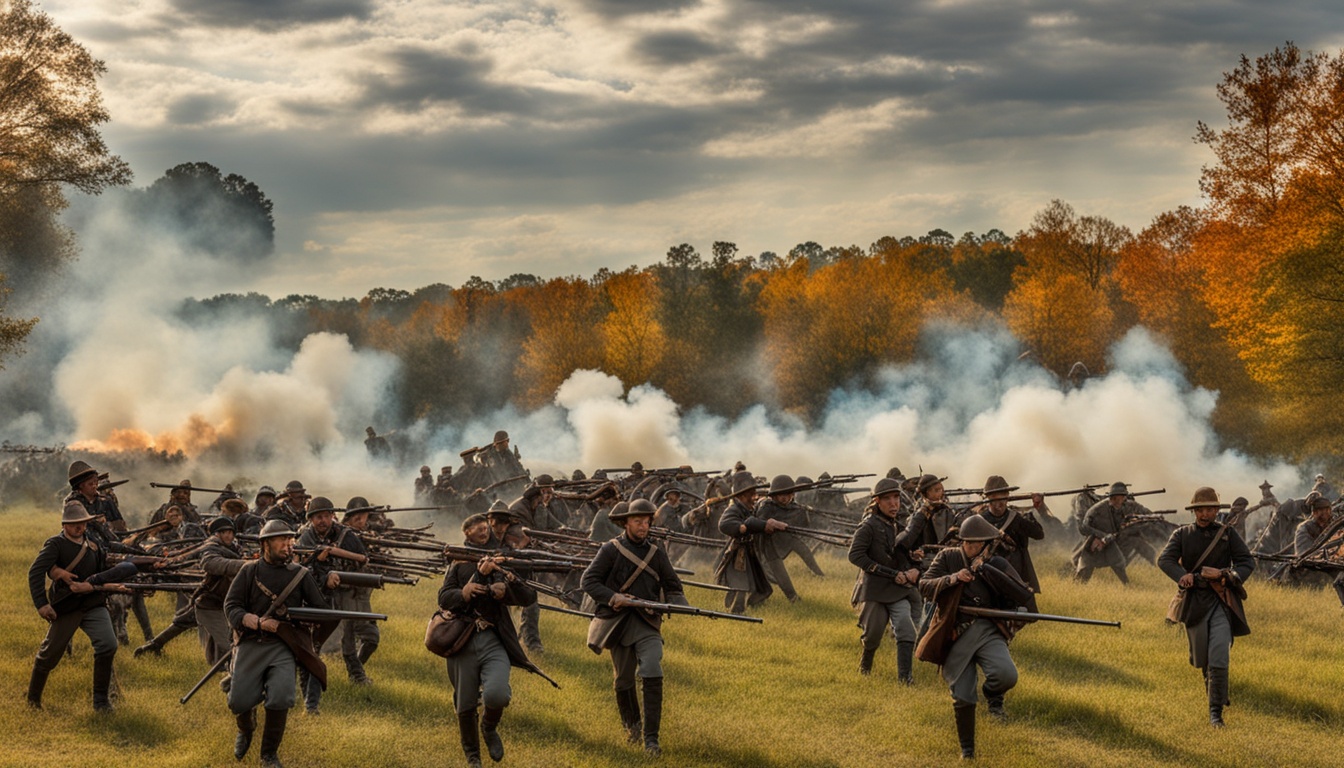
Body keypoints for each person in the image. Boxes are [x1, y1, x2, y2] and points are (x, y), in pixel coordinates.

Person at [439, 515, 552, 767]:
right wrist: (464, 592)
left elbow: (527, 596)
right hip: (463, 640)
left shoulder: (504, 556)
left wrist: (506, 588)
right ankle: (473, 757)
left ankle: (489, 727)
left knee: (497, 694)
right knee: (465, 703)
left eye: (484, 527)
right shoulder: (459, 561)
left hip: (494, 638)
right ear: (466, 534)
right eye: (475, 530)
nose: (482, 532)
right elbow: (445, 598)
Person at [917, 515, 1034, 759]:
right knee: (962, 695)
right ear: (962, 541)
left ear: (987, 544)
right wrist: (953, 578)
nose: (973, 548)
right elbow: (924, 585)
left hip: (988, 630)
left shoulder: (997, 563)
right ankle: (967, 751)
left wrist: (986, 570)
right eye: (969, 543)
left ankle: (993, 696)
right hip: (954, 633)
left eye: (978, 544)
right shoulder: (947, 557)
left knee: (1006, 675)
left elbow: (1022, 594)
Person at [581, 498, 687, 756]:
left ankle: (651, 740)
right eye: (638, 521)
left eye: (647, 522)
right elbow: (589, 581)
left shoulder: (656, 552)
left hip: (648, 621)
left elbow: (673, 586)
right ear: (626, 522)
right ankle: (633, 726)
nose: (643, 526)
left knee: (652, 668)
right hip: (618, 624)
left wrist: (679, 604)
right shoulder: (610, 550)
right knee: (623, 681)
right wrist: (612, 596)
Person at [225, 520, 330, 767]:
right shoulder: (249, 571)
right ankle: (246, 726)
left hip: (282, 645)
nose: (288, 544)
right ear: (265, 544)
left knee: (281, 697)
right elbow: (231, 606)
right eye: (281, 540)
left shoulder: (300, 575)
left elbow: (321, 610)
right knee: (238, 701)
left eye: (290, 540)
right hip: (251, 641)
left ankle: (268, 755)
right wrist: (254, 621)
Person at [26, 499, 139, 710]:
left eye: (83, 522)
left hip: (93, 604)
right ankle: (33, 700)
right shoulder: (55, 545)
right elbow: (35, 572)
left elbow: (102, 571)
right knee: (49, 655)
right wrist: (42, 605)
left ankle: (101, 702)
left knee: (108, 644)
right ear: (64, 525)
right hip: (67, 607)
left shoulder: (94, 545)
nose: (80, 527)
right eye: (75, 523)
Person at [1158, 487, 1255, 727]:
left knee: (1220, 651)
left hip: (1222, 600)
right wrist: (1183, 576)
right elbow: (1165, 560)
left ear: (1216, 510)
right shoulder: (1182, 534)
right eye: (1201, 509)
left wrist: (1229, 575)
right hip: (1194, 602)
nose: (1206, 514)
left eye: (1211, 509)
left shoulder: (1227, 533)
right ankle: (1215, 693)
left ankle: (1215, 713)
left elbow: (1246, 562)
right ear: (1194, 511)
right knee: (1203, 656)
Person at [296, 496, 369, 709]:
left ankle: (313, 703)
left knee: (348, 637)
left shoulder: (345, 535)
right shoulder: (305, 539)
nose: (323, 521)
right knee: (309, 652)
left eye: (327, 516)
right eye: (318, 517)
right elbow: (300, 569)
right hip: (311, 599)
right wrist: (324, 574)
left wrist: (341, 569)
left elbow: (362, 559)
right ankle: (310, 704)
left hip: (343, 595)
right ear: (311, 519)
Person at [848, 477, 922, 681]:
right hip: (875, 589)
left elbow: (901, 555)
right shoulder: (868, 527)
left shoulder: (898, 526)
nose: (893, 503)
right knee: (872, 635)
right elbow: (855, 555)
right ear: (877, 502)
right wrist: (891, 574)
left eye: (896, 498)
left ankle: (905, 679)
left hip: (898, 590)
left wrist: (913, 563)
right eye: (887, 499)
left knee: (906, 629)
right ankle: (865, 664)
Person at [713, 471, 787, 614]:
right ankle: (737, 613)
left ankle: (752, 605)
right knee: (742, 586)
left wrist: (768, 525)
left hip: (750, 552)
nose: (754, 497)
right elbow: (724, 524)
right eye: (751, 494)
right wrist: (741, 527)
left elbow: (756, 523)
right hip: (739, 554)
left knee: (764, 590)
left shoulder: (749, 509)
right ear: (742, 495)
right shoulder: (734, 509)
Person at [977, 476, 1046, 610]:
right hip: (989, 576)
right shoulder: (980, 520)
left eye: (1003, 498)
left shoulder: (1017, 518)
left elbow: (1039, 534)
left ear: (1008, 498)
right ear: (988, 499)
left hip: (1015, 575)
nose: (999, 504)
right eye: (995, 498)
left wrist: (1035, 510)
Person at [197, 515, 247, 691]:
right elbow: (210, 563)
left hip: (226, 606)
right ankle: (230, 684)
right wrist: (246, 565)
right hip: (210, 605)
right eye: (224, 532)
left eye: (231, 532)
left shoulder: (234, 548)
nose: (229, 536)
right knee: (231, 649)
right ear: (216, 534)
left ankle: (230, 680)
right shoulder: (211, 547)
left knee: (235, 647)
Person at [339, 497, 383, 681]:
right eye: (360, 518)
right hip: (347, 593)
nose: (363, 521)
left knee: (365, 636)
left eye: (364, 517)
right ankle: (357, 675)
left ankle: (355, 672)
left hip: (361, 594)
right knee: (356, 635)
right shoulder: (344, 536)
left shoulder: (360, 536)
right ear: (353, 518)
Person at [1074, 482, 1151, 585]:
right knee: (1086, 565)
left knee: (1118, 562)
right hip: (1095, 540)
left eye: (1122, 498)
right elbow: (1084, 527)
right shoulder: (1096, 508)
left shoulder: (1120, 507)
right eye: (1116, 498)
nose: (1119, 501)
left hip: (1111, 540)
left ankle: (1128, 586)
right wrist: (1102, 535)